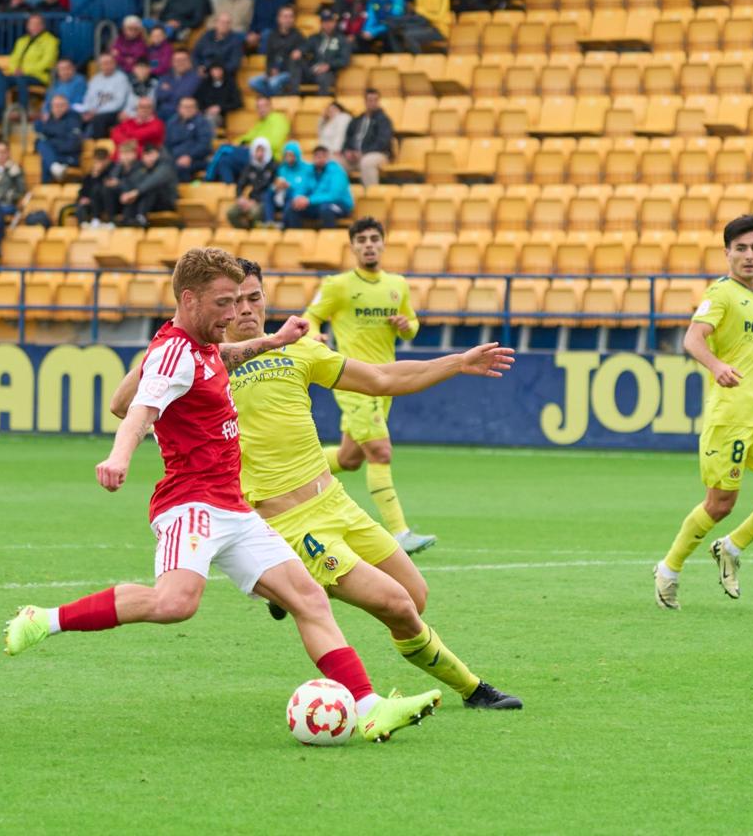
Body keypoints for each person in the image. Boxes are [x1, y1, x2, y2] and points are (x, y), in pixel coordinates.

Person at [2, 248, 444, 743]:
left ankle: (367, 707)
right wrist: (118, 458)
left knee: (309, 598)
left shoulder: (203, 345)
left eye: (239, 301)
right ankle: (44, 620)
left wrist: (274, 340)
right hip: (191, 504)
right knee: (175, 604)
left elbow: (224, 356)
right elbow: (138, 411)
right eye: (223, 303)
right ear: (188, 299)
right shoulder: (170, 354)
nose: (234, 314)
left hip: (233, 506)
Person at [110, 260, 523, 710]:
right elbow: (121, 404)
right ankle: (472, 689)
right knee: (396, 604)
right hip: (284, 520)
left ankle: (290, 588)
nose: (246, 309)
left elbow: (381, 378)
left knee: (416, 598)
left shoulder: (299, 350)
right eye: (235, 300)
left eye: (254, 297)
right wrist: (160, 348)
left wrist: (458, 363)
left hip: (336, 503)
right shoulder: (195, 362)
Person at [653, 215, 753, 610]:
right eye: (741, 248)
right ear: (727, 254)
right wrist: (716, 366)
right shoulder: (720, 294)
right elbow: (692, 338)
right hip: (731, 418)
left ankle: (732, 547)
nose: (749, 255)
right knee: (720, 504)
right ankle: (669, 569)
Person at [304, 217, 435, 554]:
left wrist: (406, 325)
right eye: (361, 240)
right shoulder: (338, 285)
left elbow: (412, 327)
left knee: (350, 458)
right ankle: (400, 532)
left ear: (383, 243)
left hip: (386, 380)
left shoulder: (397, 285)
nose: (369, 244)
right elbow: (311, 315)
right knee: (380, 451)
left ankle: (294, 465)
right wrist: (314, 332)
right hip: (352, 378)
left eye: (374, 238)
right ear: (353, 247)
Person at [205, 95, 290, 183]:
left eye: (264, 106)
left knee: (224, 150)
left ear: (270, 106)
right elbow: (247, 137)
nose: (261, 109)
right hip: (253, 154)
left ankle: (208, 178)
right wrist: (236, 143)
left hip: (269, 158)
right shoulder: (260, 123)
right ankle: (229, 188)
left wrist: (253, 146)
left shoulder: (279, 120)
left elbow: (275, 143)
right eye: (259, 107)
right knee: (224, 160)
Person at [284, 144, 353, 228]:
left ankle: (329, 238)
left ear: (328, 158)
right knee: (293, 207)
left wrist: (309, 200)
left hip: (340, 205)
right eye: (317, 156)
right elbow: (302, 187)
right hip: (317, 204)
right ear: (313, 158)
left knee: (326, 209)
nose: (320, 159)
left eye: (323, 156)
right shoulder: (309, 171)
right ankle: (296, 237)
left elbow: (334, 196)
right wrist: (298, 198)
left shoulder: (337, 172)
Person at [7, 13, 59, 113]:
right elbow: (13, 59)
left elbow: (47, 62)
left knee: (21, 80)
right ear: (27, 26)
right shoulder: (21, 41)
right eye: (31, 24)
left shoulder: (51, 41)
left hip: (39, 76)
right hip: (19, 75)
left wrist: (24, 71)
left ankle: (22, 111)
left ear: (43, 26)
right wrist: (15, 69)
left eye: (37, 24)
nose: (34, 26)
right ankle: (1, 112)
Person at [248, 5, 304, 97]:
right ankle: (276, 97)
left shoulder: (298, 36)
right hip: (273, 73)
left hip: (288, 73)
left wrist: (278, 71)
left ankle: (272, 100)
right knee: (253, 82)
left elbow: (299, 61)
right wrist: (270, 71)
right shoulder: (272, 36)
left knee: (273, 82)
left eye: (291, 16)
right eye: (285, 16)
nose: (288, 19)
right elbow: (269, 58)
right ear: (279, 19)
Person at [116, 143, 177, 228]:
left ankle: (141, 218)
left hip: (166, 201)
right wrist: (126, 193)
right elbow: (132, 181)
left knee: (149, 189)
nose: (149, 158)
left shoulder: (165, 166)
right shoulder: (142, 168)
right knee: (136, 192)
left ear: (158, 154)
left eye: (151, 154)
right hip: (151, 203)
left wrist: (135, 193)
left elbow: (154, 181)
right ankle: (128, 218)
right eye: (146, 155)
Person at [342, 88, 393, 187]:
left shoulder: (384, 120)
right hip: (355, 156)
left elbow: (383, 142)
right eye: (370, 100)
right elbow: (348, 138)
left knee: (367, 162)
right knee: (335, 163)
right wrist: (347, 151)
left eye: (375, 100)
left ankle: (371, 195)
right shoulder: (357, 120)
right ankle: (339, 196)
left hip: (377, 154)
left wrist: (364, 152)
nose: (373, 103)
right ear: (365, 102)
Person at [226, 137, 277, 229]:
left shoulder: (273, 166)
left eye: (262, 150)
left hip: (265, 201)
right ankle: (244, 233)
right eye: (258, 150)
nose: (260, 154)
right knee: (231, 213)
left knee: (254, 213)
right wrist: (240, 198)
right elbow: (240, 184)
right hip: (251, 200)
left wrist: (255, 202)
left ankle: (254, 236)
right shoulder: (250, 167)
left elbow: (270, 188)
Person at [79, 53, 131, 139]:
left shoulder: (121, 78)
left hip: (114, 112)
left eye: (109, 63)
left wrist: (96, 112)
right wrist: (88, 110)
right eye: (104, 63)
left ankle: (99, 145)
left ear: (114, 64)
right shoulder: (95, 79)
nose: (107, 66)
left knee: (99, 119)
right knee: (75, 117)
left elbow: (118, 103)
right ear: (100, 66)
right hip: (94, 111)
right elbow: (88, 98)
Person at [35, 94, 83, 182]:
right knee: (41, 143)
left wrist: (52, 142)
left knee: (46, 158)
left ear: (67, 106)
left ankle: (47, 183)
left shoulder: (73, 119)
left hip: (69, 157)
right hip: (56, 156)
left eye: (61, 105)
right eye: (55, 106)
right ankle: (54, 168)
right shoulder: (50, 120)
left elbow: (72, 145)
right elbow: (38, 135)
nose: (58, 108)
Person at [165, 96, 213, 183]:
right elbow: (167, 144)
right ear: (179, 108)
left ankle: (181, 194)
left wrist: (190, 156)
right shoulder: (171, 122)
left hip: (196, 159)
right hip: (174, 158)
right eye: (185, 107)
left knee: (179, 168)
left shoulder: (202, 123)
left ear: (196, 109)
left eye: (191, 107)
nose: (188, 109)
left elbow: (204, 144)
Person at [303, 11, 352, 96]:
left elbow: (345, 60)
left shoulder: (341, 39)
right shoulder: (314, 38)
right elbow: (304, 48)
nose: (328, 25)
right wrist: (299, 51)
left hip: (330, 72)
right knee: (295, 62)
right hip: (312, 70)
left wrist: (329, 65)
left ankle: (321, 103)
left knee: (324, 78)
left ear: (335, 23)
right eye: (325, 22)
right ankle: (293, 96)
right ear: (321, 23)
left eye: (330, 22)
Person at [271, 140, 312, 223]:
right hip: (283, 197)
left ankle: (283, 226)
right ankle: (269, 222)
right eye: (287, 155)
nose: (289, 158)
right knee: (268, 194)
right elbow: (277, 185)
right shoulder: (282, 168)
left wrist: (290, 186)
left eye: (292, 155)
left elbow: (307, 186)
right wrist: (276, 187)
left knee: (291, 204)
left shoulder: (307, 168)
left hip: (298, 198)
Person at [155, 49, 200, 122]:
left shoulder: (195, 78)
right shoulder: (165, 76)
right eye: (177, 60)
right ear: (172, 63)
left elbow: (184, 94)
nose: (180, 63)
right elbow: (159, 94)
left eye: (183, 60)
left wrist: (168, 90)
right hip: (162, 112)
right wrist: (175, 90)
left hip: (182, 113)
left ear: (189, 62)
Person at [193, 13, 244, 78]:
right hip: (203, 72)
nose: (224, 25)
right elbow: (195, 54)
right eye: (222, 22)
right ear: (216, 23)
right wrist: (198, 67)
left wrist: (219, 71)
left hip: (223, 76)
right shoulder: (206, 36)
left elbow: (234, 63)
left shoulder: (235, 40)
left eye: (228, 23)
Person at [194, 61, 241, 130]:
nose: (216, 72)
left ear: (223, 71)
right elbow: (197, 100)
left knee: (209, 119)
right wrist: (205, 110)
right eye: (214, 70)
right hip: (203, 113)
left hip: (222, 116)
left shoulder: (230, 84)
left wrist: (220, 108)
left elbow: (237, 102)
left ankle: (207, 139)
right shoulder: (204, 84)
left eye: (219, 70)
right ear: (210, 71)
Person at [0, 140, 26, 215]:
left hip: (7, 204)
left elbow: (21, 190)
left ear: (8, 153)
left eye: (3, 152)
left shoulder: (15, 169)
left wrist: (9, 196)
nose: (1, 155)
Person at [73, 147, 111, 226]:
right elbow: (83, 191)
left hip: (101, 203)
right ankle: (83, 226)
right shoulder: (88, 177)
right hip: (87, 203)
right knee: (79, 206)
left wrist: (97, 176)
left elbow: (101, 191)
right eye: (96, 161)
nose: (98, 164)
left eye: (100, 161)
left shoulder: (108, 175)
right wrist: (82, 199)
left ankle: (95, 220)